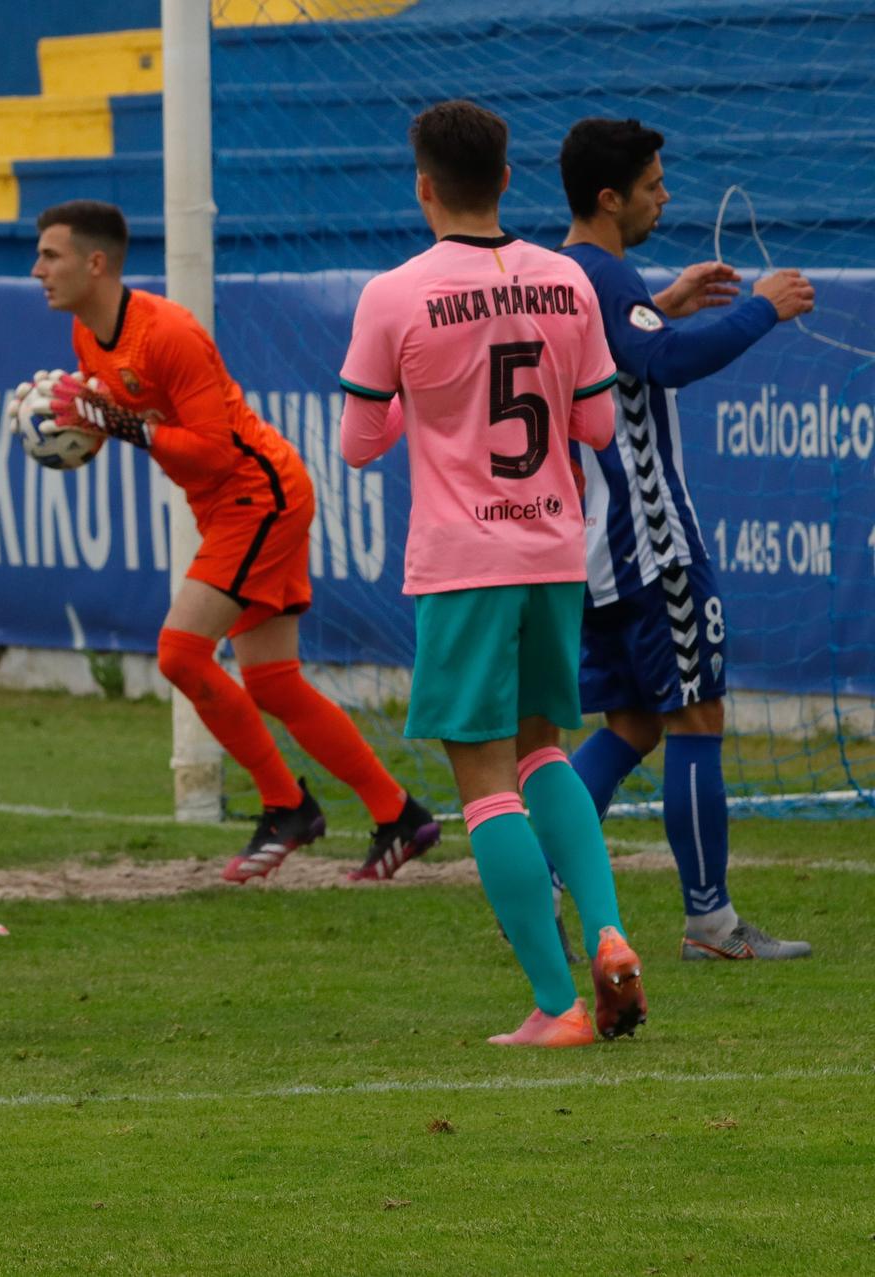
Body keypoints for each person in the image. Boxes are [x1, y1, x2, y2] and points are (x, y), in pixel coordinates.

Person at [337, 102, 646, 1048]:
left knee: (483, 782)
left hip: (465, 562)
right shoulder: (566, 281)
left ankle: (557, 1006)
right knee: (545, 747)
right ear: (509, 180)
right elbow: (596, 428)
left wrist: (423, 411)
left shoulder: (395, 293)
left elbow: (357, 443)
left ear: (424, 186)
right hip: (554, 551)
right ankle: (609, 933)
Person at [30, 199, 441, 883]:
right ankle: (397, 812)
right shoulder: (86, 336)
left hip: (259, 496)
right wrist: (83, 425)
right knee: (274, 682)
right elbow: (136, 423)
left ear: (95, 263)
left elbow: (214, 453)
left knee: (180, 653)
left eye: (51, 255)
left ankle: (287, 805)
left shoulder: (169, 332)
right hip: (228, 505)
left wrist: (118, 423)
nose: (38, 269)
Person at [556, 118, 814, 961]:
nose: (665, 198)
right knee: (698, 716)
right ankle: (712, 922)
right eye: (654, 186)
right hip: (653, 541)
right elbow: (662, 364)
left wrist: (657, 305)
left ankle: (540, 867)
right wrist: (763, 313)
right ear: (610, 197)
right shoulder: (604, 272)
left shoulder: (564, 274)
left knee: (632, 723)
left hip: (591, 550)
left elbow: (617, 347)